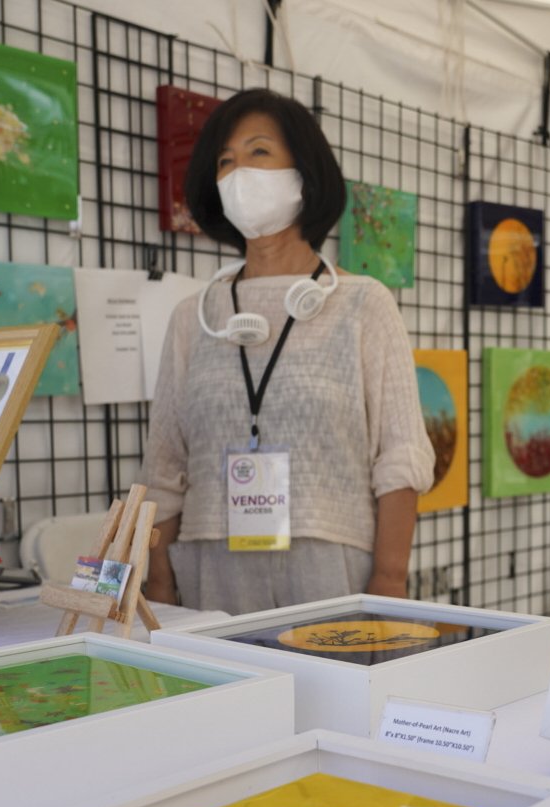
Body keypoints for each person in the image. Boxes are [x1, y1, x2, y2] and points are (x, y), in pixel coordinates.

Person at [139, 88, 434, 613]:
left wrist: (392, 582)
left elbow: (402, 457)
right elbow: (163, 465)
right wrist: (159, 590)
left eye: (258, 152)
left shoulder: (364, 305)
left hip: (336, 571)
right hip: (212, 571)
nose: (237, 174)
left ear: (304, 170)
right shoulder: (194, 318)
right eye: (224, 162)